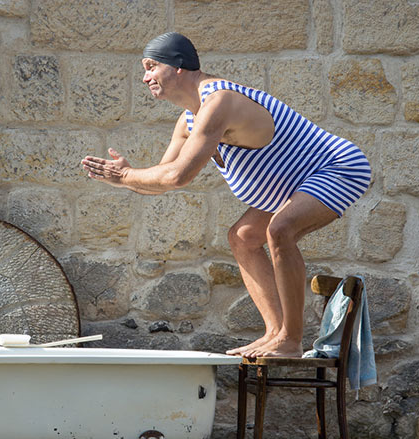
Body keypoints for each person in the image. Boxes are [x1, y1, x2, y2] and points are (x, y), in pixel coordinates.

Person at [81, 32, 371, 358]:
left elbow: (178, 176)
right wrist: (124, 179)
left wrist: (124, 176)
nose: (145, 76)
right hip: (297, 182)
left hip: (338, 167)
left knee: (280, 230)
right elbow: (162, 179)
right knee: (243, 237)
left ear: (178, 65)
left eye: (150, 66)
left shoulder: (219, 101)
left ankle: (291, 340)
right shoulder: (187, 121)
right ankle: (275, 333)